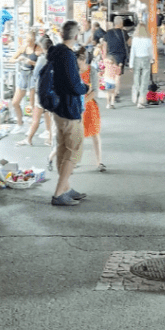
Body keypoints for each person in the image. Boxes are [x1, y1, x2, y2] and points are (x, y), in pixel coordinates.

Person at [46, 21, 90, 207]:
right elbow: (74, 85)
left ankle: (66, 188)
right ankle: (59, 193)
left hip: (57, 108)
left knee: (63, 148)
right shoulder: (68, 55)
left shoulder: (54, 52)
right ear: (76, 36)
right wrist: (85, 87)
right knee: (73, 150)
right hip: (69, 108)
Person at [18, 33, 54, 147]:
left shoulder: (42, 58)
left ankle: (28, 139)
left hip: (42, 90)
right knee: (50, 116)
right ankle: (50, 139)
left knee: (36, 117)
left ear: (43, 47)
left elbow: (35, 73)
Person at [76, 46, 105, 171]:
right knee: (77, 135)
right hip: (77, 107)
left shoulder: (91, 70)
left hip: (89, 106)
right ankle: (75, 160)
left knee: (95, 134)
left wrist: (83, 101)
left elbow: (95, 91)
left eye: (78, 63)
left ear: (84, 60)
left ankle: (99, 162)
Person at [8, 33, 42, 128]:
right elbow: (11, 59)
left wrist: (30, 62)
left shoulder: (38, 49)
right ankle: (20, 123)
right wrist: (18, 60)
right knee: (15, 102)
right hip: (23, 74)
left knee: (32, 103)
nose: (29, 43)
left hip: (33, 75)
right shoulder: (23, 48)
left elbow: (42, 64)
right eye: (27, 41)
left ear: (34, 40)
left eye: (30, 41)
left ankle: (33, 126)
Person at [102, 17, 129, 101]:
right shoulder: (123, 32)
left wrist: (104, 57)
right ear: (121, 23)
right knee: (117, 75)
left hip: (110, 56)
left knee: (110, 74)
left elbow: (104, 46)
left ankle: (110, 91)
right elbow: (129, 43)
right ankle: (116, 92)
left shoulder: (108, 33)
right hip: (120, 57)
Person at [129, 23, 154, 108]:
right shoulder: (148, 39)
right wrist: (152, 59)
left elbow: (132, 52)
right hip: (145, 59)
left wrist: (131, 64)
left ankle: (135, 95)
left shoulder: (135, 39)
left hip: (137, 59)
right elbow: (150, 51)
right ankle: (141, 101)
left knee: (136, 78)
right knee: (144, 80)